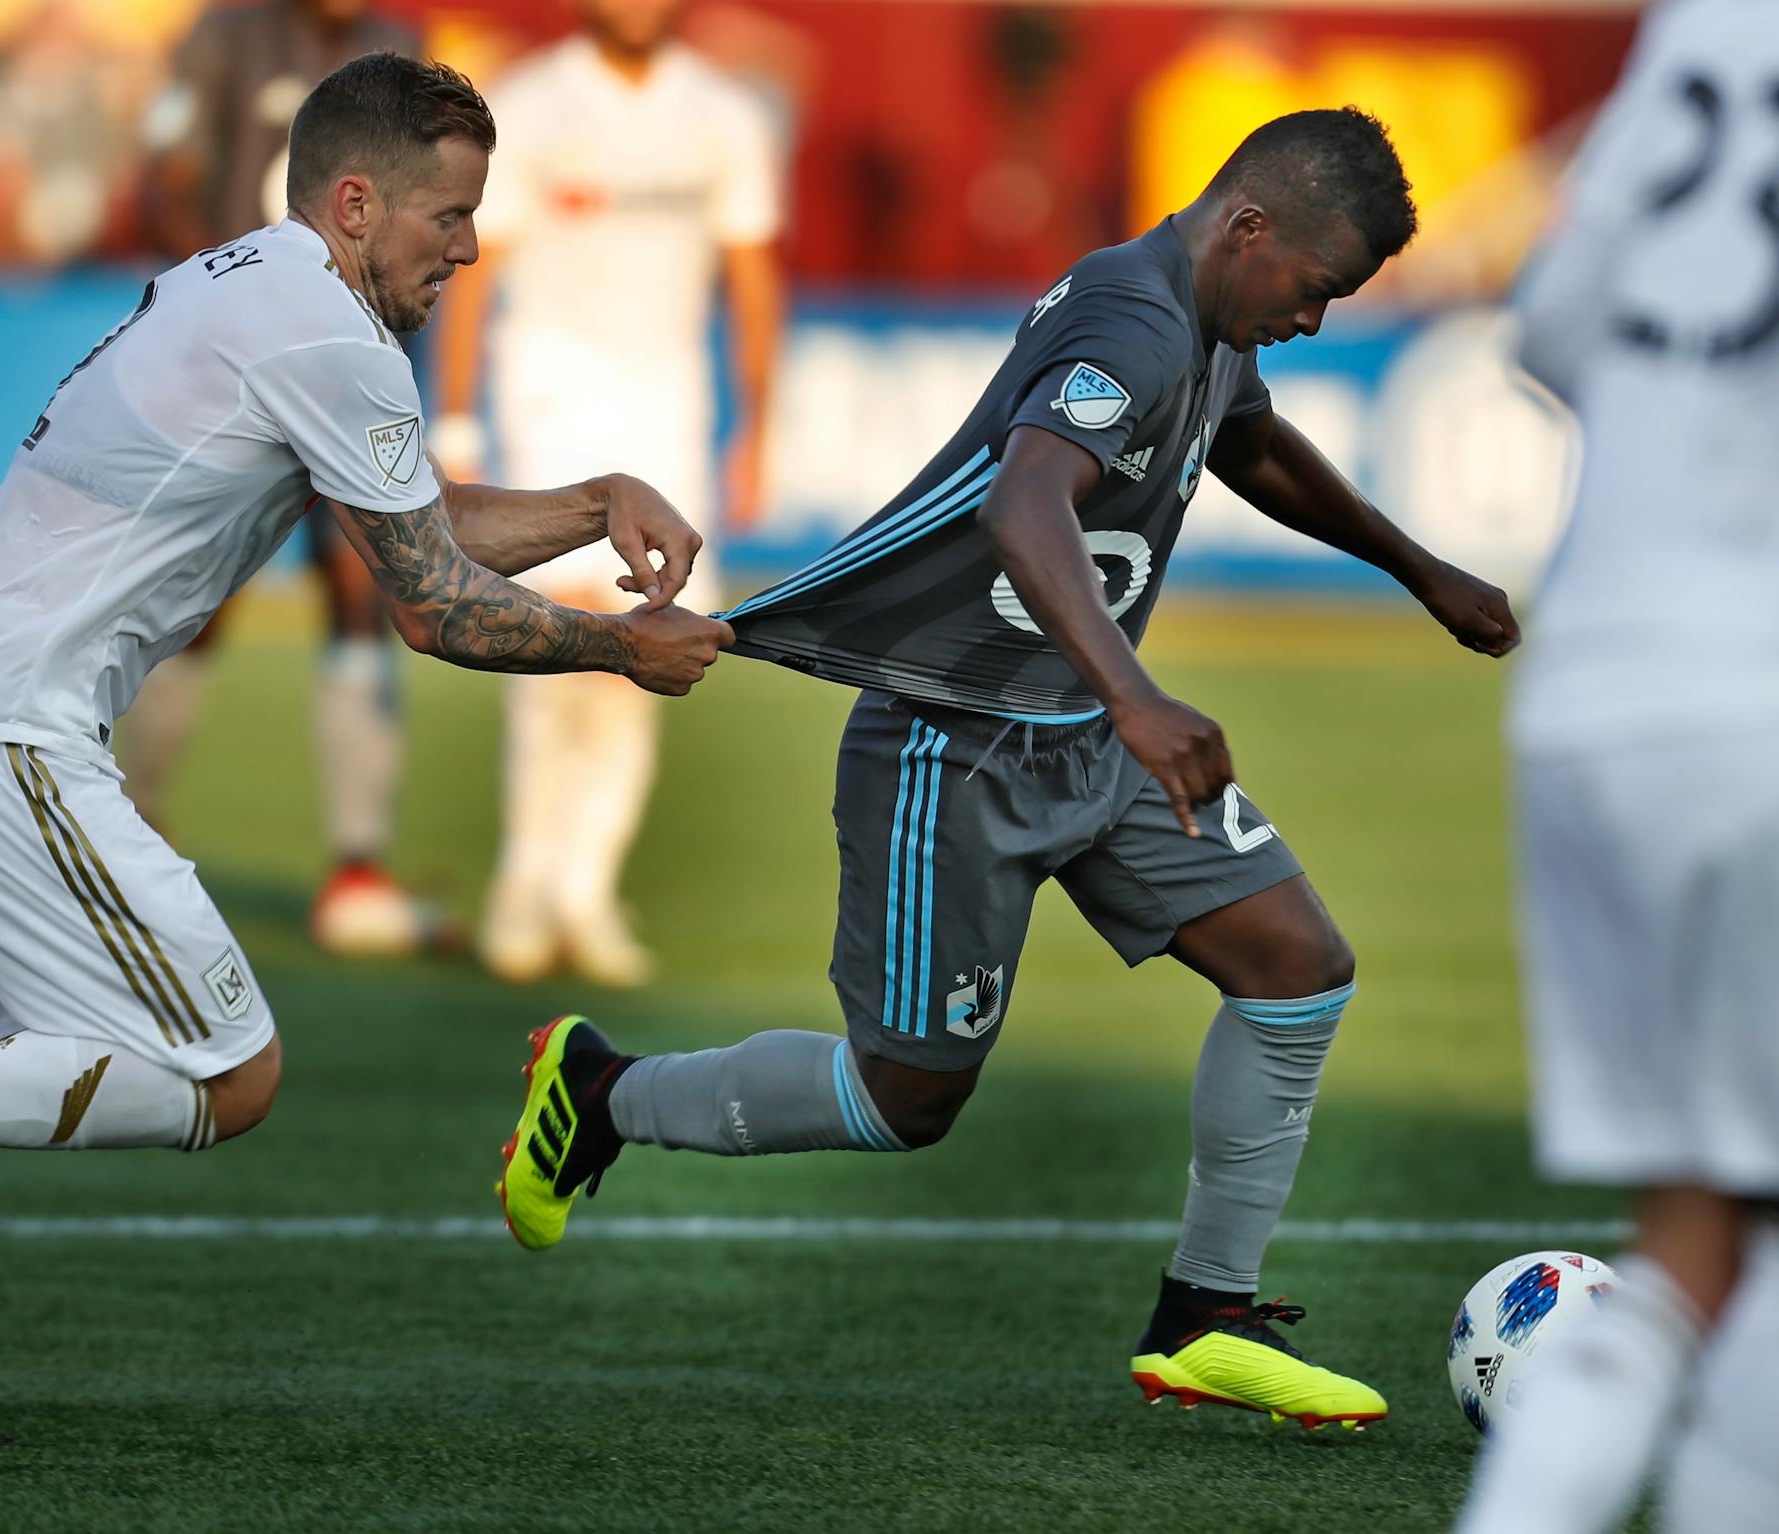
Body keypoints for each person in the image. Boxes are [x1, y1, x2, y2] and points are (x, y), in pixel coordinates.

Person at [0, 52, 730, 1422]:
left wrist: (596, 496)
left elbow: (409, 511)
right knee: (223, 1072)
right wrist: (626, 647)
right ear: (360, 202)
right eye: (451, 215)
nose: (473, 243)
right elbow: (434, 606)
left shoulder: (262, 277)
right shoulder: (331, 338)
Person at [500, 106, 1522, 1431]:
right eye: (1319, 290)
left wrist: (1416, 564)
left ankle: (1204, 1315)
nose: (1318, 320)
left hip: (1086, 736)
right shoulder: (1133, 319)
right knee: (904, 1095)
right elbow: (1022, 501)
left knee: (1296, 966)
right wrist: (1143, 694)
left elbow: (1251, 442)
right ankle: (601, 1089)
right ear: (1249, 228)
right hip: (955, 738)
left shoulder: (1205, 326)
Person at [1457, 2, 1779, 1528]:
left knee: (1693, 1241)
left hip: (1595, 685)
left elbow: (1554, 319)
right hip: (1762, 695)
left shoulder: (1706, 29)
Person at [436, 0, 785, 987]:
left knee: (648, 640)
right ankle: (524, 880)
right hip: (551, 386)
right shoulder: (533, 105)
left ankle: (584, 888)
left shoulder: (724, 114)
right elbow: (477, 263)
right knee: (560, 631)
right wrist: (457, 421)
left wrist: (758, 422)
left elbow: (752, 269)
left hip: (666, 398)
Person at [136, 0, 448, 959]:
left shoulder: (403, 49)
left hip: (356, 361)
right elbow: (164, 178)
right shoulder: (225, 35)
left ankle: (359, 868)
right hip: (233, 364)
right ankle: (132, 829)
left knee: (368, 584)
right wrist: (227, 305)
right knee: (202, 597)